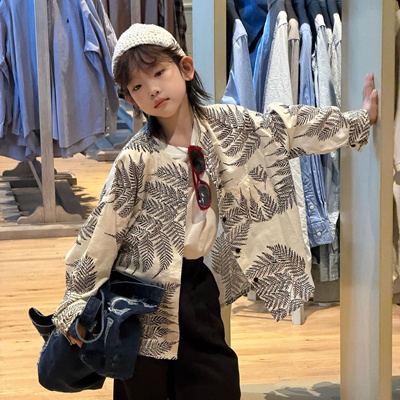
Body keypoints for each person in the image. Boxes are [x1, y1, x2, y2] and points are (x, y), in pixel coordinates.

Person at [51, 23, 378, 400]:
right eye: (138, 86)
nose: (152, 89)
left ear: (186, 68)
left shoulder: (230, 124)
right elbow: (102, 231)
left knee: (215, 379)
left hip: (196, 283)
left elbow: (288, 127)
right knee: (144, 386)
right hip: (137, 297)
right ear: (130, 99)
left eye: (159, 73)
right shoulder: (135, 158)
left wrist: (359, 120)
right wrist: (75, 302)